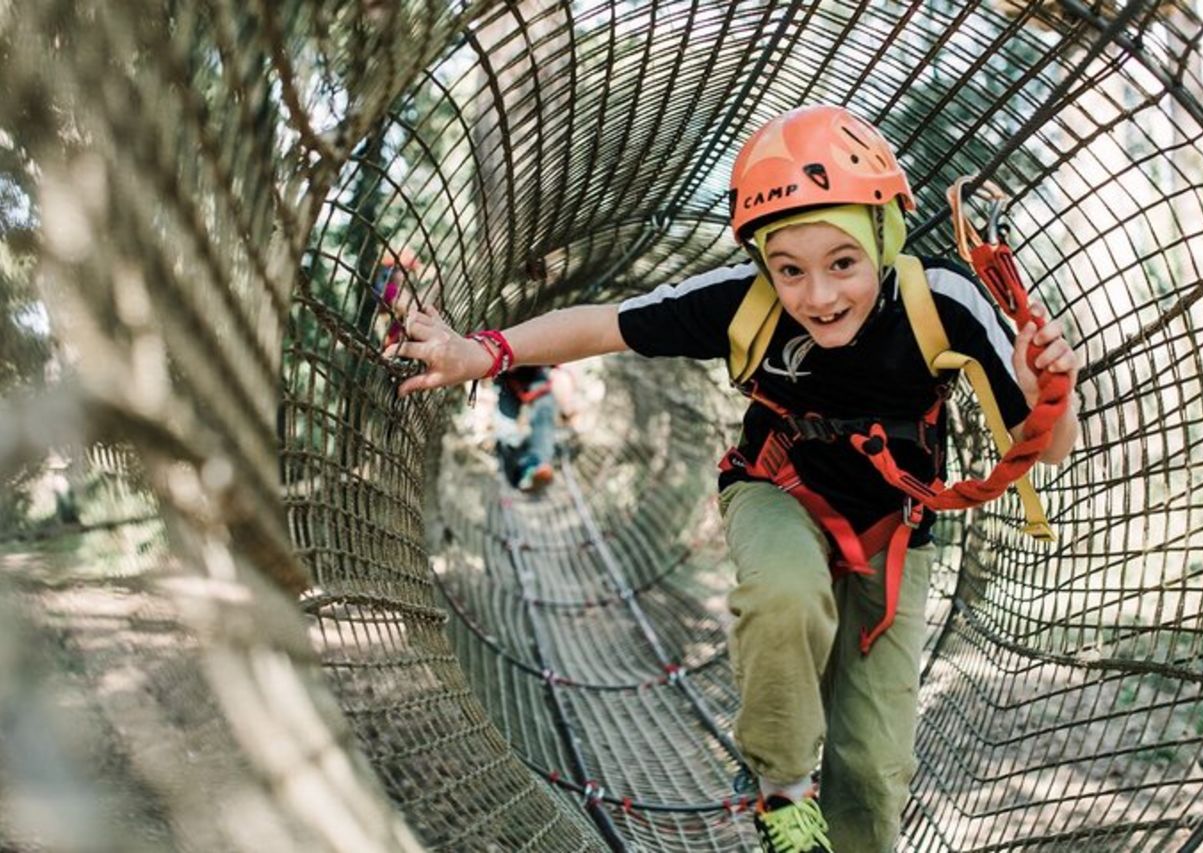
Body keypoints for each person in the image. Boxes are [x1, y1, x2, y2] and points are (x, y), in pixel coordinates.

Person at [383, 105, 1080, 852]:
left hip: (896, 529)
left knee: (875, 765)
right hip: (779, 489)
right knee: (785, 590)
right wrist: (481, 353)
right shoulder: (742, 299)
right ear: (764, 263)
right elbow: (606, 323)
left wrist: (1047, 390)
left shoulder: (942, 300)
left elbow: (1051, 450)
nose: (817, 295)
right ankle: (782, 788)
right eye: (790, 270)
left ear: (885, 238)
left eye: (841, 262)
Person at [493, 365, 558, 492]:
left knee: (543, 418)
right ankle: (525, 468)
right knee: (509, 432)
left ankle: (530, 467)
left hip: (533, 371)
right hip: (508, 376)